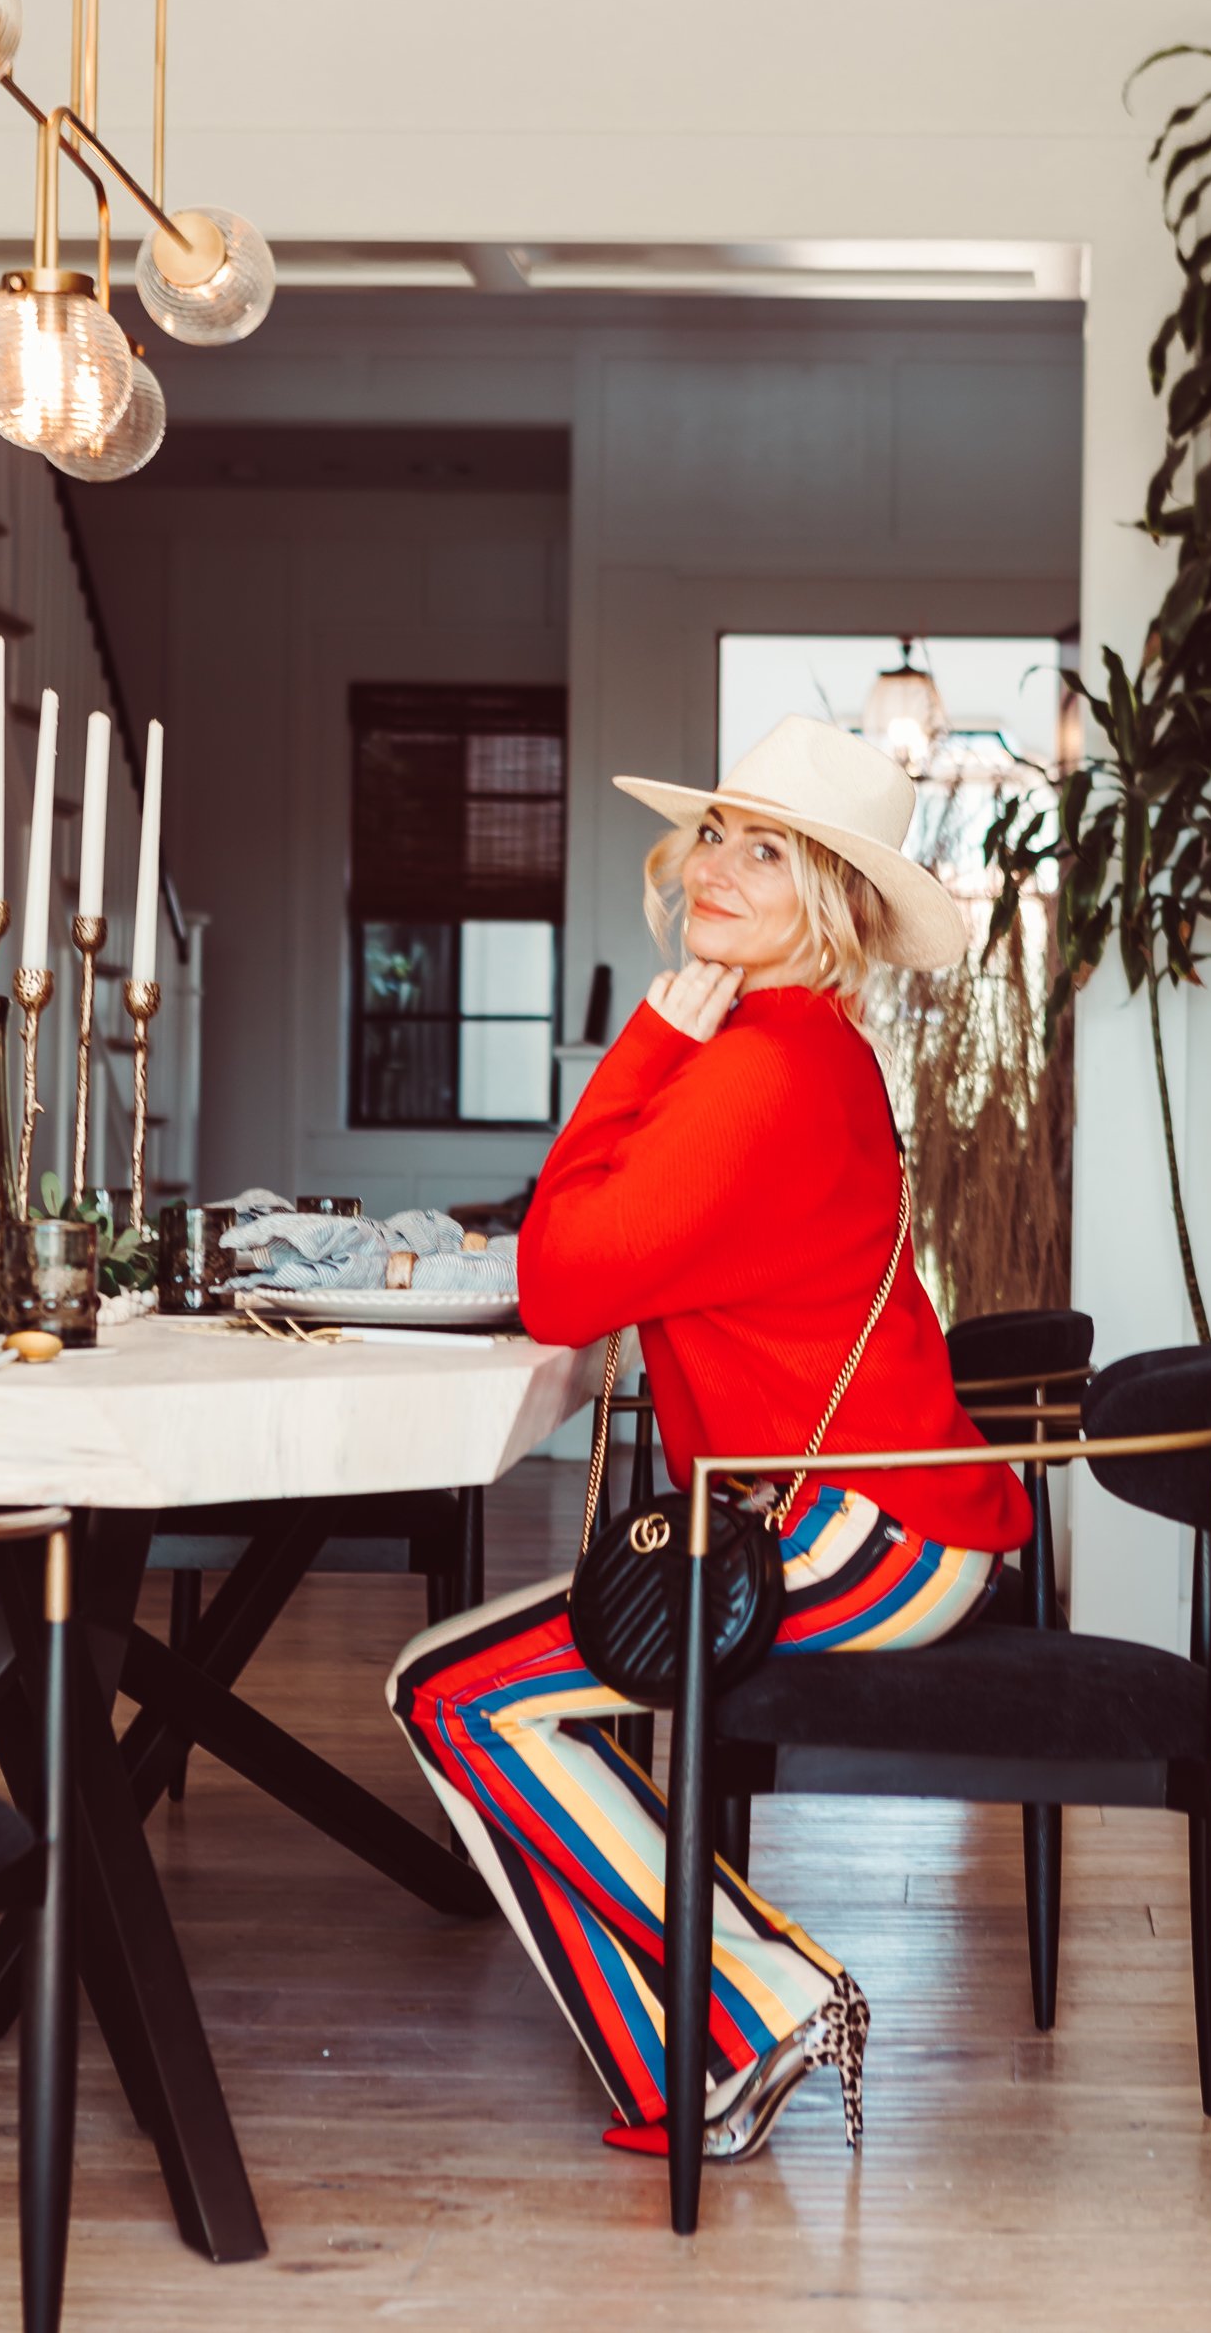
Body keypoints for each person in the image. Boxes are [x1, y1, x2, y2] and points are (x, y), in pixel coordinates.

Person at [388, 715, 1033, 2161]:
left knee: (457, 1694)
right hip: (879, 1513)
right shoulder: (796, 1046)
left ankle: (764, 1998)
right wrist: (679, 1042)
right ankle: (695, 2072)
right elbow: (597, 1245)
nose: (721, 871)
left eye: (774, 854)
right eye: (722, 837)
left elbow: (557, 1278)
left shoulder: (758, 1068)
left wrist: (651, 1036)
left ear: (837, 906)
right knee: (468, 1690)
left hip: (860, 1533)